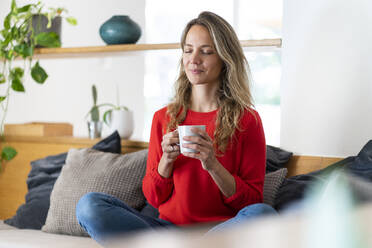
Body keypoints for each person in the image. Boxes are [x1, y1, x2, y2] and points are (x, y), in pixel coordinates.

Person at [76, 11, 276, 245]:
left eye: (206, 51)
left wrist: (212, 164)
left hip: (222, 232)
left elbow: (252, 202)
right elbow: (153, 198)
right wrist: (166, 162)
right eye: (188, 50)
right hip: (166, 231)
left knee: (263, 215)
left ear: (224, 58)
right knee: (89, 206)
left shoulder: (247, 120)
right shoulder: (164, 117)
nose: (194, 59)